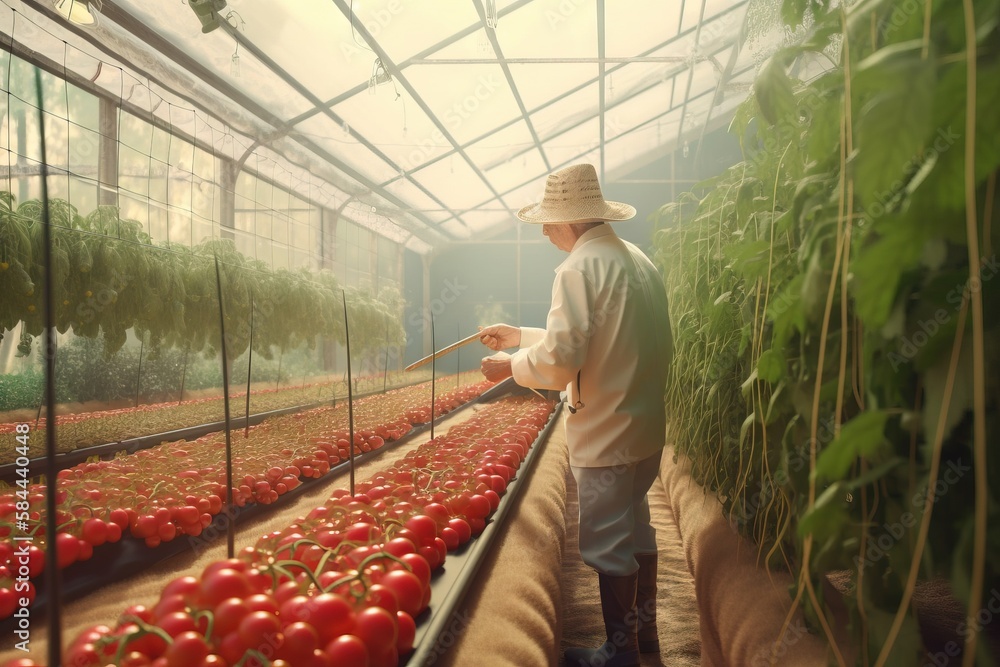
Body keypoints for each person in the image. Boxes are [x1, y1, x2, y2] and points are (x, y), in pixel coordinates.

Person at [479, 163, 673, 667]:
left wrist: (510, 366)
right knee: (636, 527)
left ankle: (619, 653)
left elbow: (562, 360)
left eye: (548, 221)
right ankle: (645, 638)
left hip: (607, 429)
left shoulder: (577, 270)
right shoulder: (635, 259)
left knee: (609, 543)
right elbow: (599, 342)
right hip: (644, 424)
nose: (544, 231)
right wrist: (520, 336)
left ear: (571, 220)